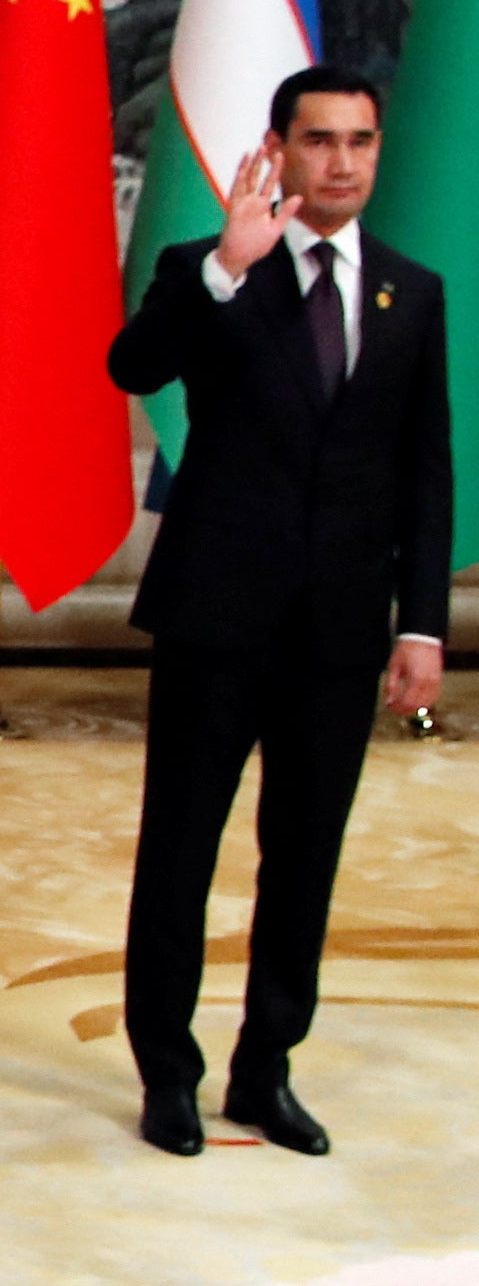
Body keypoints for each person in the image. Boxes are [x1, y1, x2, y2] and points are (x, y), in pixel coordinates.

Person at [107, 63, 449, 1159]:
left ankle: (265, 1071)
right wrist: (218, 265)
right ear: (278, 149)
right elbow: (130, 364)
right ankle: (167, 1070)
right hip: (217, 614)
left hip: (341, 634)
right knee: (181, 849)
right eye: (318, 142)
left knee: (302, 857)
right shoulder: (211, 269)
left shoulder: (409, 290)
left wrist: (421, 622)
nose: (339, 163)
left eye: (357, 142)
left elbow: (423, 470)